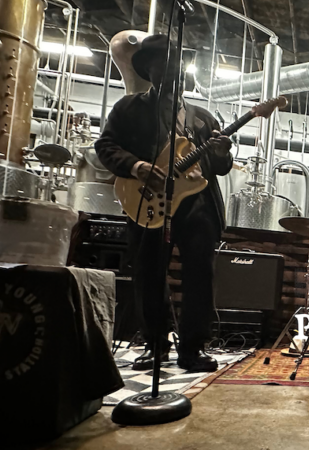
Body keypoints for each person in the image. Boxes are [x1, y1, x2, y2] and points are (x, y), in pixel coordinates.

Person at [96, 34, 233, 372]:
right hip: (149, 201)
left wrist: (221, 152)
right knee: (149, 274)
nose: (169, 68)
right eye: (160, 62)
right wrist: (137, 166)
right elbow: (106, 146)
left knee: (200, 275)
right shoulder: (129, 107)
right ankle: (155, 345)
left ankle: (193, 349)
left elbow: (220, 167)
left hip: (197, 205)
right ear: (149, 69)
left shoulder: (202, 118)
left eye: (174, 62)